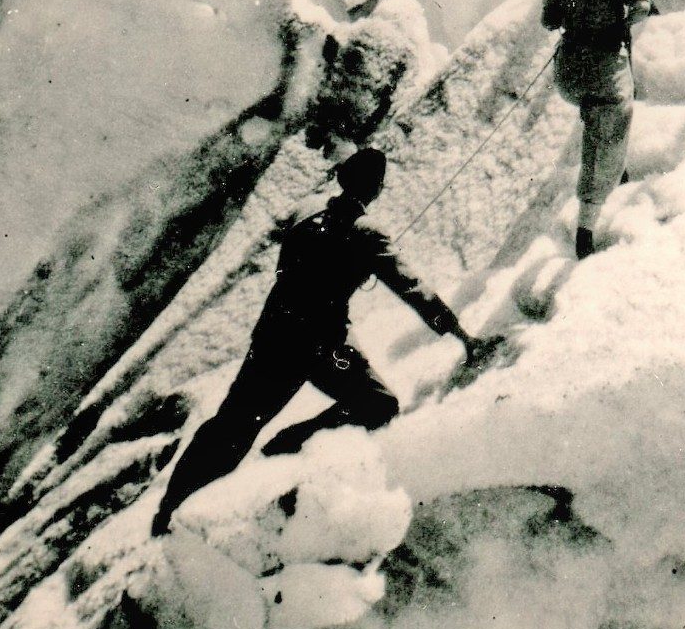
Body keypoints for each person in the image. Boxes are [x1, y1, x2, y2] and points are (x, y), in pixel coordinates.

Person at [150, 147, 481, 534]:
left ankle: (169, 508)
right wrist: (457, 331)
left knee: (232, 426)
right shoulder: (367, 233)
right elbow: (411, 287)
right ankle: (292, 440)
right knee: (378, 403)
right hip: (325, 349)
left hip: (274, 339)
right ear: (375, 189)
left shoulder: (304, 210)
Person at [540, 0, 653, 257]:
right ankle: (586, 228)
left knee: (597, 120)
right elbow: (642, 5)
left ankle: (615, 170)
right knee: (607, 132)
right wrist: (618, 25)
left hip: (570, 73)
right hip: (605, 71)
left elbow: (548, 19)